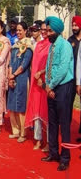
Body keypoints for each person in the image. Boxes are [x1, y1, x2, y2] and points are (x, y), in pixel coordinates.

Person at [41, 16, 73, 171]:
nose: (47, 33)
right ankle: (54, 153)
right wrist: (48, 85)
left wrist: (51, 85)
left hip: (63, 88)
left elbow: (62, 68)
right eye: (47, 30)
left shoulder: (65, 45)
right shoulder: (52, 46)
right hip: (52, 87)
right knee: (52, 122)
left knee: (64, 124)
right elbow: (49, 67)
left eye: (50, 31)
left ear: (58, 31)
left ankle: (65, 158)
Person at [25, 20, 51, 151]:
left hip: (47, 83)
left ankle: (48, 142)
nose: (43, 32)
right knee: (37, 111)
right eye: (42, 29)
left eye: (46, 30)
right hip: (36, 82)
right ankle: (38, 139)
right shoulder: (38, 45)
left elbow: (51, 65)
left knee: (47, 112)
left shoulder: (52, 45)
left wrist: (42, 75)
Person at [7, 21, 33, 143]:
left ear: (26, 31)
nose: (18, 32)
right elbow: (11, 63)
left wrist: (14, 74)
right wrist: (10, 76)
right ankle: (15, 130)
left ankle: (23, 132)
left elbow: (24, 64)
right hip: (12, 77)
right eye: (17, 30)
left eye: (20, 30)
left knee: (21, 105)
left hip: (22, 78)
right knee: (12, 104)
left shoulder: (28, 45)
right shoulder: (15, 45)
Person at [68, 16, 81, 124]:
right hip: (71, 77)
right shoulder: (70, 40)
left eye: (76, 25)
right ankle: (66, 126)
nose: (74, 27)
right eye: (73, 25)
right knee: (68, 103)